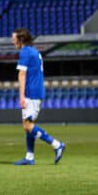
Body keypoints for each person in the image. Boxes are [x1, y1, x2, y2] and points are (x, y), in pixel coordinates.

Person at [11, 28, 65, 166]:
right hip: (37, 90)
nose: (13, 41)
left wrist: (21, 96)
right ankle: (29, 157)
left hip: (31, 92)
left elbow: (22, 75)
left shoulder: (25, 52)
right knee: (29, 124)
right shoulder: (34, 51)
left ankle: (56, 144)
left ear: (21, 40)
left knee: (28, 126)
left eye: (14, 38)